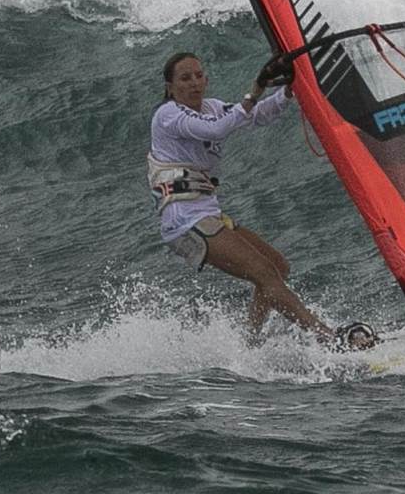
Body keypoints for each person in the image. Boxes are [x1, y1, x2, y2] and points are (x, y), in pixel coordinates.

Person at [149, 51, 370, 348]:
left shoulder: (213, 107)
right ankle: (327, 338)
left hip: (206, 212)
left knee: (277, 267)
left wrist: (288, 92)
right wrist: (255, 89)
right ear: (170, 87)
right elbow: (216, 129)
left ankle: (248, 344)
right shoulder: (168, 115)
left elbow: (255, 115)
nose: (194, 83)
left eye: (199, 76)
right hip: (183, 219)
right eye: (185, 78)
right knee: (264, 273)